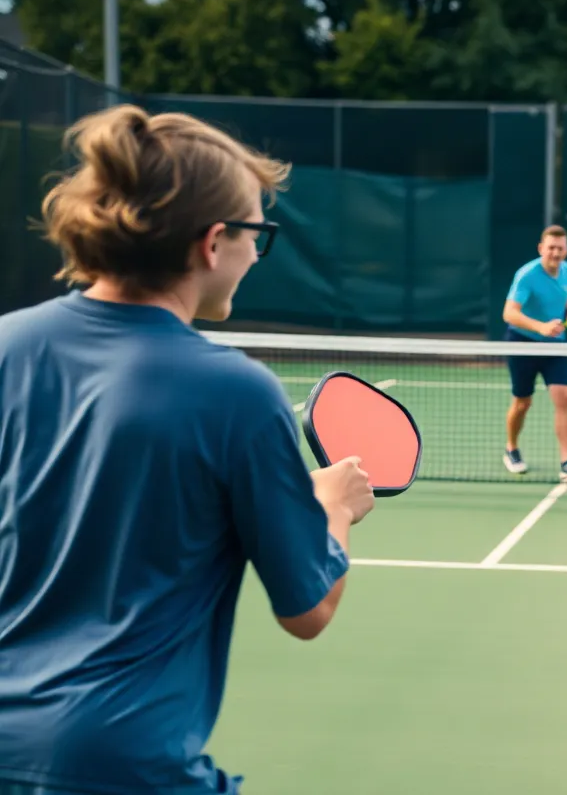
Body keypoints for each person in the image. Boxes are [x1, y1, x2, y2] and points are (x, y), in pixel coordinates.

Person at [0, 105, 375, 794]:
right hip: (120, 767)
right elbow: (308, 610)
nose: (256, 254)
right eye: (256, 234)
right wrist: (336, 509)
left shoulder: (6, 346)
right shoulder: (237, 393)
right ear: (212, 243)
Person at [500, 224, 567, 483]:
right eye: (551, 247)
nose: (555, 253)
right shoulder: (527, 275)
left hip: (555, 345)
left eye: (560, 248)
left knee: (563, 397)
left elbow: (563, 296)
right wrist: (541, 326)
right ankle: (511, 448)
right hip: (522, 343)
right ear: (541, 248)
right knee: (522, 403)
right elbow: (509, 313)